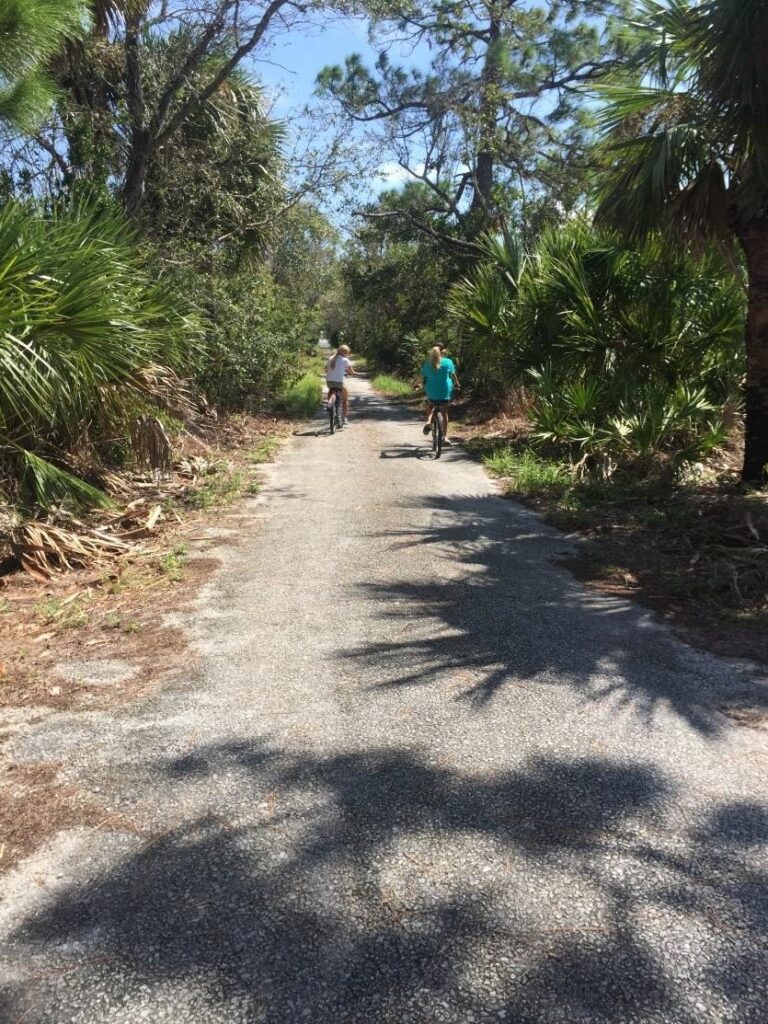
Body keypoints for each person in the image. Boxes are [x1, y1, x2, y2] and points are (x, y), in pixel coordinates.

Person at [422, 345, 459, 444]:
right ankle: (444, 437)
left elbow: (421, 377)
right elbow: (452, 375)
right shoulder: (448, 362)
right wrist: (457, 383)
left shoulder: (427, 363)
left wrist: (414, 384)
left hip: (431, 391)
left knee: (430, 405)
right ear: (443, 351)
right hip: (445, 392)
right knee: (444, 413)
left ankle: (428, 422)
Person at [325, 343, 356, 424]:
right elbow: (351, 371)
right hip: (339, 382)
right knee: (345, 400)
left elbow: (326, 369)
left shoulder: (331, 358)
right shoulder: (345, 360)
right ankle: (345, 418)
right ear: (344, 352)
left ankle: (329, 402)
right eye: (347, 353)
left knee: (331, 390)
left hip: (329, 381)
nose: (347, 354)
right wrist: (353, 373)